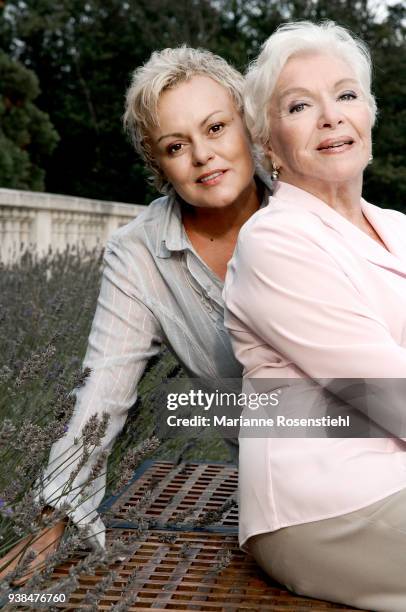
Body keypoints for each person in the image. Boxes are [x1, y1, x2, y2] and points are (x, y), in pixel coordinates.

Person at [0, 46, 271, 583]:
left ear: (247, 125)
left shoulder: (307, 209)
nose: (203, 156)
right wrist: (52, 518)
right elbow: (101, 396)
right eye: (176, 145)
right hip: (277, 486)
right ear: (157, 163)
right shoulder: (140, 252)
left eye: (216, 127)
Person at [223, 20, 406, 612]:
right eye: (300, 105)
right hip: (331, 507)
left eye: (346, 95)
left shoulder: (399, 229)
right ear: (268, 143)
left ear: (369, 117)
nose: (331, 116)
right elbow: (388, 393)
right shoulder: (274, 242)